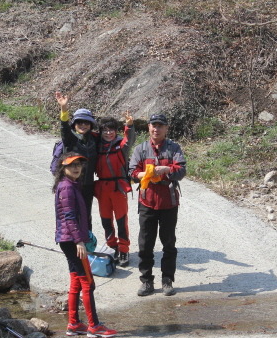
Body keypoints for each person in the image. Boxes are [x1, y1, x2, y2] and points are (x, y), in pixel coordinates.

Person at [54, 152, 117, 338]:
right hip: (72, 241)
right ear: (63, 168)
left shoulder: (69, 184)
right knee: (88, 283)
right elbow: (69, 217)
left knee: (76, 281)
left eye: (79, 164)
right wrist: (79, 241)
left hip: (68, 240)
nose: (76, 168)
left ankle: (74, 324)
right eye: (72, 165)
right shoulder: (67, 187)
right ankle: (94, 326)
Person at [129, 113, 187, 297]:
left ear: (166, 128)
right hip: (147, 202)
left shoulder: (174, 148)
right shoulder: (140, 149)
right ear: (149, 127)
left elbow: (181, 170)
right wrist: (145, 174)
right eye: (153, 125)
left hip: (169, 203)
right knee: (145, 244)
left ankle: (167, 280)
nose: (156, 129)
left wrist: (167, 169)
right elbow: (132, 172)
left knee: (169, 244)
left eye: (160, 126)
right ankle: (146, 281)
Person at [94, 113, 135, 266]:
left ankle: (124, 250)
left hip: (118, 188)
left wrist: (129, 126)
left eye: (111, 130)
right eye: (105, 130)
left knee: (121, 220)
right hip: (102, 188)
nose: (108, 133)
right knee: (106, 220)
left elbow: (129, 140)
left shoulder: (121, 145)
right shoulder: (97, 146)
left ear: (116, 131)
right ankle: (113, 247)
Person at [55, 91, 97, 230]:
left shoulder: (94, 139)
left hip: (88, 185)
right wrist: (64, 108)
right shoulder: (70, 139)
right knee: (71, 215)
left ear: (91, 124)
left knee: (86, 216)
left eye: (86, 122)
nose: (83, 125)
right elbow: (64, 127)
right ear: (74, 124)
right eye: (79, 122)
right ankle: (71, 240)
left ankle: (87, 241)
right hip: (71, 184)